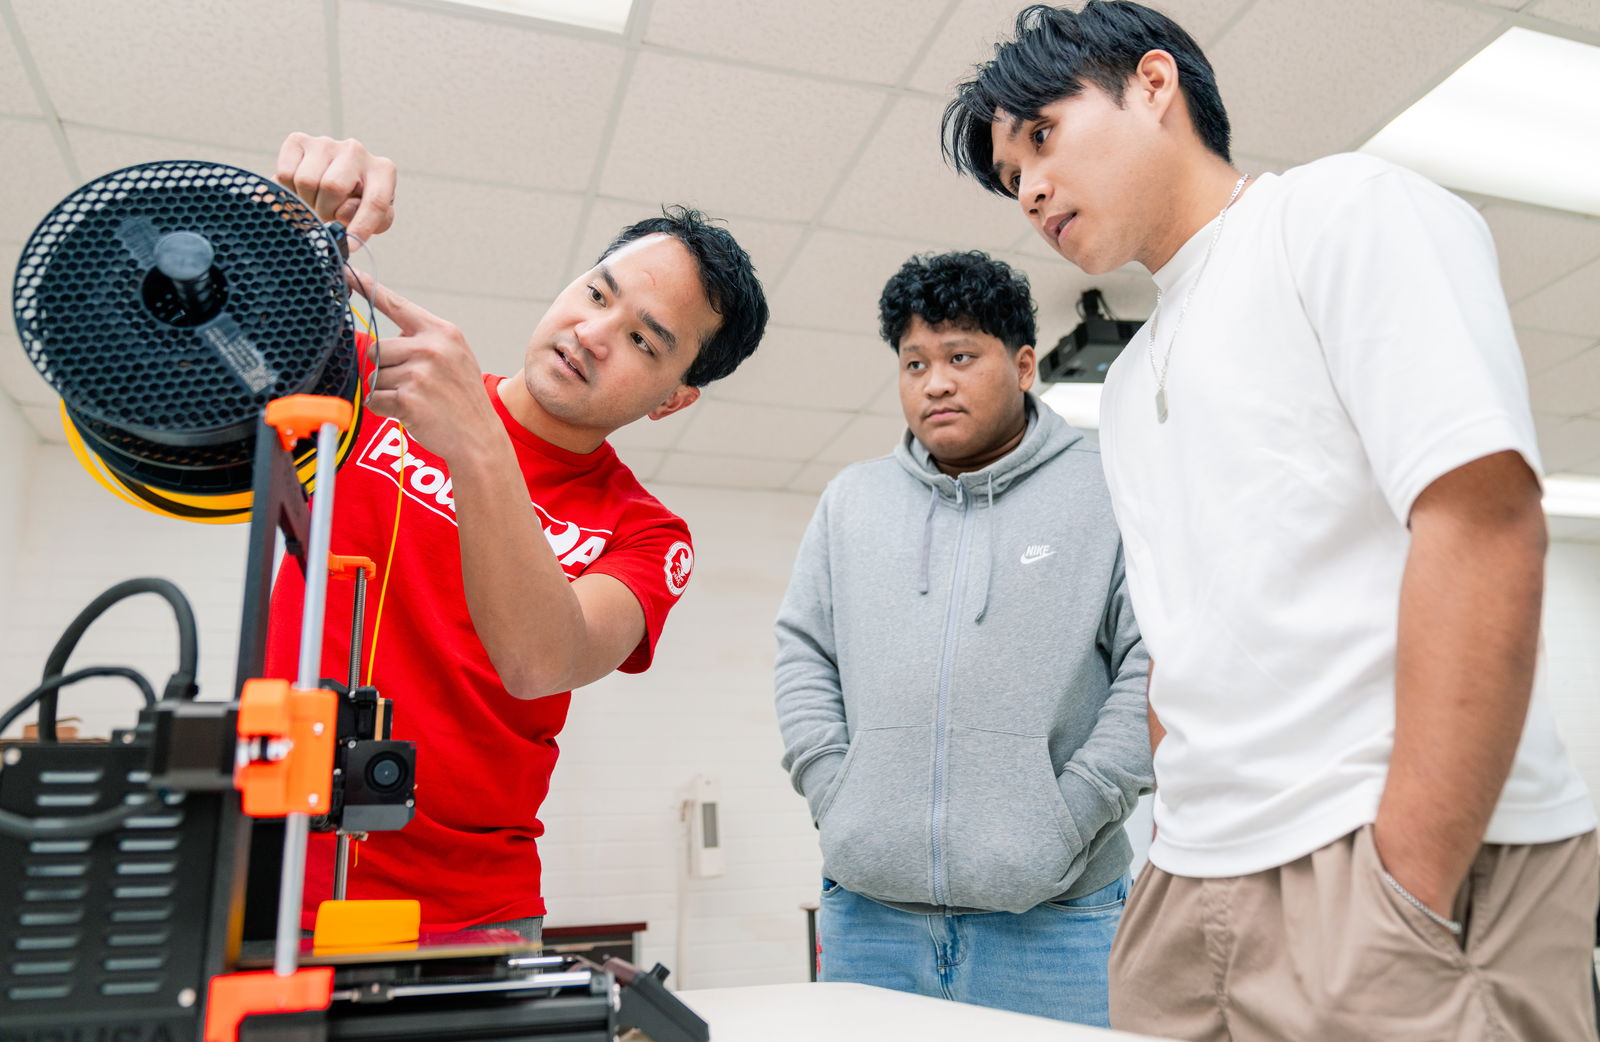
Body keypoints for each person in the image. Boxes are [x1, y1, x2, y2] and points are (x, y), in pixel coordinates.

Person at [942, 4, 1599, 1039]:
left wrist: (1408, 881)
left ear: (1153, 85)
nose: (1025, 187)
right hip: (1189, 879)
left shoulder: (1342, 211)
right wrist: (1173, 839)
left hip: (1385, 862)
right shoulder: (1125, 384)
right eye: (1006, 173)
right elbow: (1172, 637)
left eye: (1040, 136)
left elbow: (1483, 520)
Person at [264, 133, 769, 943]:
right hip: (261, 871)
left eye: (645, 341)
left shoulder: (644, 533)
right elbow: (160, 368)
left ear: (673, 400)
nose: (595, 333)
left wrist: (475, 441)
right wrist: (297, 230)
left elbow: (541, 663)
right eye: (598, 294)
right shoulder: (370, 382)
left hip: (464, 916)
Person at [774, 250, 1151, 1026]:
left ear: (1020, 366)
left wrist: (1072, 813)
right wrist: (835, 792)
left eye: (959, 356)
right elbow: (804, 652)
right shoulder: (853, 502)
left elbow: (1155, 662)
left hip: (1060, 922)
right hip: (870, 921)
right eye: (914, 362)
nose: (934, 381)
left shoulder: (1109, 485)